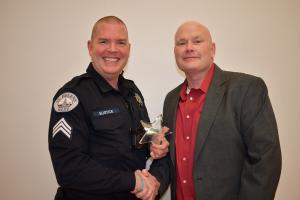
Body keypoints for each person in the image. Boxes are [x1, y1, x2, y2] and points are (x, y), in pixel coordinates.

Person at [149, 21, 282, 200]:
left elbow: (265, 161)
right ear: (175, 52)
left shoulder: (247, 89)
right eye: (181, 43)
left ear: (212, 49)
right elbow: (170, 160)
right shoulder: (171, 100)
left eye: (197, 41)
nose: (189, 48)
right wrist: (155, 177)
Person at [48, 16, 163, 200]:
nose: (113, 49)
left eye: (121, 42)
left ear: (129, 49)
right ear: (90, 47)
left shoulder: (133, 92)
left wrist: (156, 143)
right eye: (104, 41)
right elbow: (69, 168)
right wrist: (133, 182)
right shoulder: (72, 97)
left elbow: (143, 135)